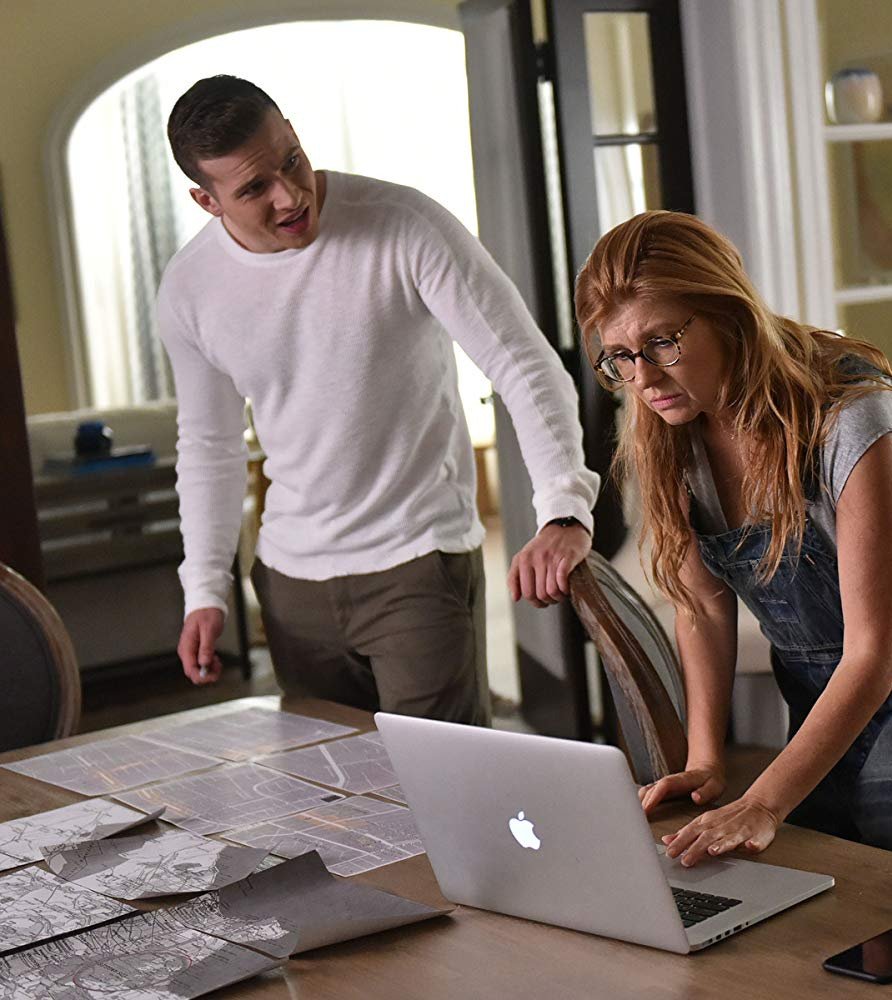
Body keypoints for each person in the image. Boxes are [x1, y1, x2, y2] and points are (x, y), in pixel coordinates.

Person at [157, 75, 599, 725]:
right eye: (253, 188)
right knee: (331, 783)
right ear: (206, 200)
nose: (289, 195)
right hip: (291, 584)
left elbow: (522, 362)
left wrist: (564, 508)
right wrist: (204, 587)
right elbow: (209, 446)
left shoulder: (403, 224)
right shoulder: (189, 289)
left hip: (417, 561)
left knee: (441, 778)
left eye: (291, 160)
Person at [574, 209, 892, 863]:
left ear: (728, 313)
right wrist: (705, 761)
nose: (644, 379)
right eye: (620, 357)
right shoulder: (672, 431)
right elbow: (702, 604)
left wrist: (764, 801)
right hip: (818, 699)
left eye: (662, 342)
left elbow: (874, 653)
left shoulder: (852, 419)